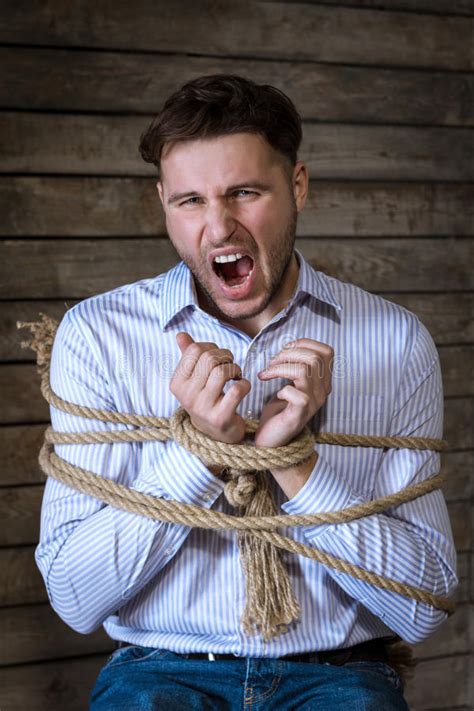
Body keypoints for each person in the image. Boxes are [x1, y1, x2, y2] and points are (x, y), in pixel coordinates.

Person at [35, 74, 457, 710]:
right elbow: (74, 600)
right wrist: (200, 454)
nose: (219, 227)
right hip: (158, 674)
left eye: (244, 193)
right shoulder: (96, 336)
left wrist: (296, 465)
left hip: (340, 677)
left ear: (298, 187)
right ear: (162, 203)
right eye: (190, 202)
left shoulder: (395, 342)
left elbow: (426, 607)